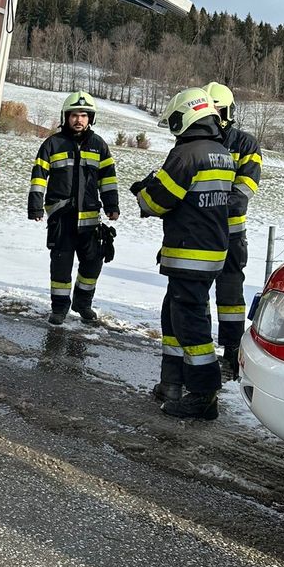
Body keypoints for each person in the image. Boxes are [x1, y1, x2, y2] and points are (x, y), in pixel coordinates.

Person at [131, 87, 235, 420]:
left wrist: (144, 190)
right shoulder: (221, 152)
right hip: (210, 252)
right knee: (175, 317)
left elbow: (155, 202)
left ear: (187, 117)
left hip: (189, 253)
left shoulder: (186, 154)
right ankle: (171, 383)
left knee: (190, 325)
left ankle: (203, 395)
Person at [28, 91, 119, 325]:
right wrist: (35, 206)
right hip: (62, 218)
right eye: (74, 115)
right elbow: (39, 176)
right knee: (61, 266)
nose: (79, 120)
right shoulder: (52, 144)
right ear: (65, 117)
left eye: (84, 115)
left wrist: (112, 206)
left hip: (90, 220)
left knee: (92, 265)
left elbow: (108, 179)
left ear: (90, 118)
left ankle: (83, 303)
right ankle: (59, 308)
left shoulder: (99, 145)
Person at [204, 82, 262, 380]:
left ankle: (229, 352)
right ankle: (197, 348)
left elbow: (243, 192)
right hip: (199, 235)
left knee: (230, 296)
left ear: (229, 112)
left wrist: (206, 206)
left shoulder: (245, 144)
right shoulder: (194, 142)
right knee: (194, 293)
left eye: (218, 110)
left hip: (230, 234)